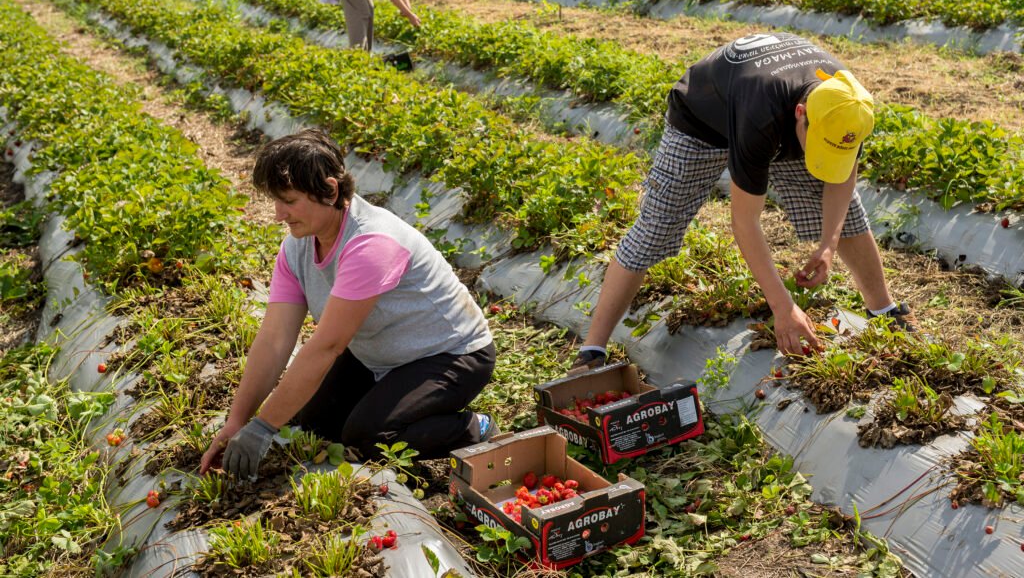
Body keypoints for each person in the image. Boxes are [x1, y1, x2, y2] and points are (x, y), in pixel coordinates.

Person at [574, 33, 917, 369]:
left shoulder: (848, 105)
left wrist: (828, 244)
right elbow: (744, 222)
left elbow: (841, 180)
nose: (820, 155)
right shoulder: (762, 114)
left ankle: (885, 311)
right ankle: (592, 350)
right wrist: (782, 307)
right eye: (817, 144)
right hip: (702, 122)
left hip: (775, 110)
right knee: (656, 229)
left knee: (849, 216)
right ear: (801, 113)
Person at [200, 129, 497, 480]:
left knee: (369, 437)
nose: (279, 214)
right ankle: (388, 398)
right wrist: (238, 422)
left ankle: (474, 428)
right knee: (313, 422)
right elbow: (275, 339)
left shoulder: (372, 244)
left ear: (330, 189)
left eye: (290, 201)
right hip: (380, 353)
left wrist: (264, 426)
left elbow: (327, 346)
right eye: (275, 202)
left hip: (449, 355)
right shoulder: (297, 249)